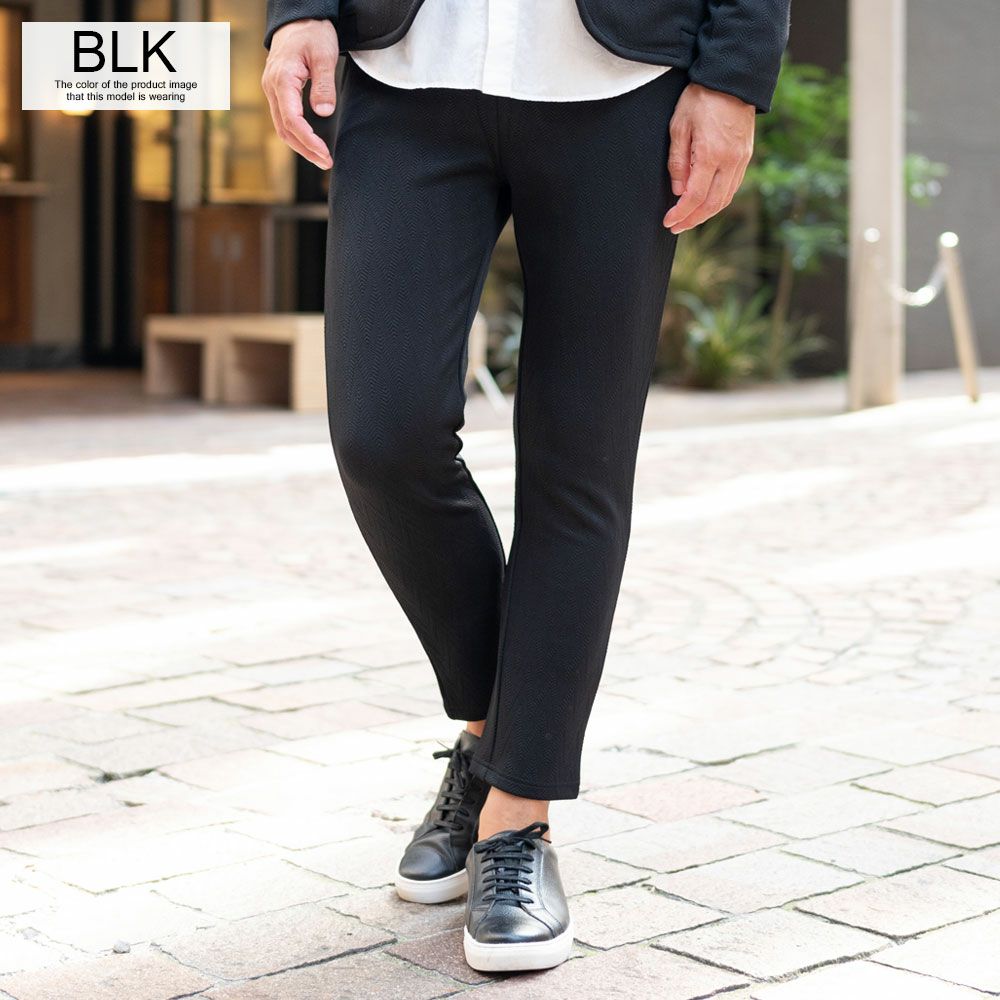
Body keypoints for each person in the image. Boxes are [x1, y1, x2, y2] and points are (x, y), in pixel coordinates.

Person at [262, 0, 789, 973]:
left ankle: (516, 814)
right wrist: (298, 10)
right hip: (406, 69)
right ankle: (492, 728)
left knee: (577, 459)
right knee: (383, 434)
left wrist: (733, 75)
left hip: (623, 82)